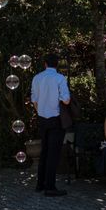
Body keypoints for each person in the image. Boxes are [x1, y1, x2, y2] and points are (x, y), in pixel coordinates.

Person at [31, 54, 71, 197]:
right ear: (57, 65)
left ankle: (40, 184)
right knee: (53, 154)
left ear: (45, 64)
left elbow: (34, 100)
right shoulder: (60, 78)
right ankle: (50, 187)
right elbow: (66, 100)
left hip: (42, 119)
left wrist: (41, 111)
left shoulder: (37, 78)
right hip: (56, 120)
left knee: (44, 151)